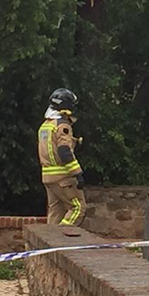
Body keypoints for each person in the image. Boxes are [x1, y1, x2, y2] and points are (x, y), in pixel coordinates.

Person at [38, 88, 86, 227]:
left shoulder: (45, 126)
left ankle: (49, 245)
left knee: (55, 213)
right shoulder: (62, 125)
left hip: (47, 177)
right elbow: (64, 151)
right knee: (78, 208)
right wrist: (78, 173)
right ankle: (61, 241)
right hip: (63, 177)